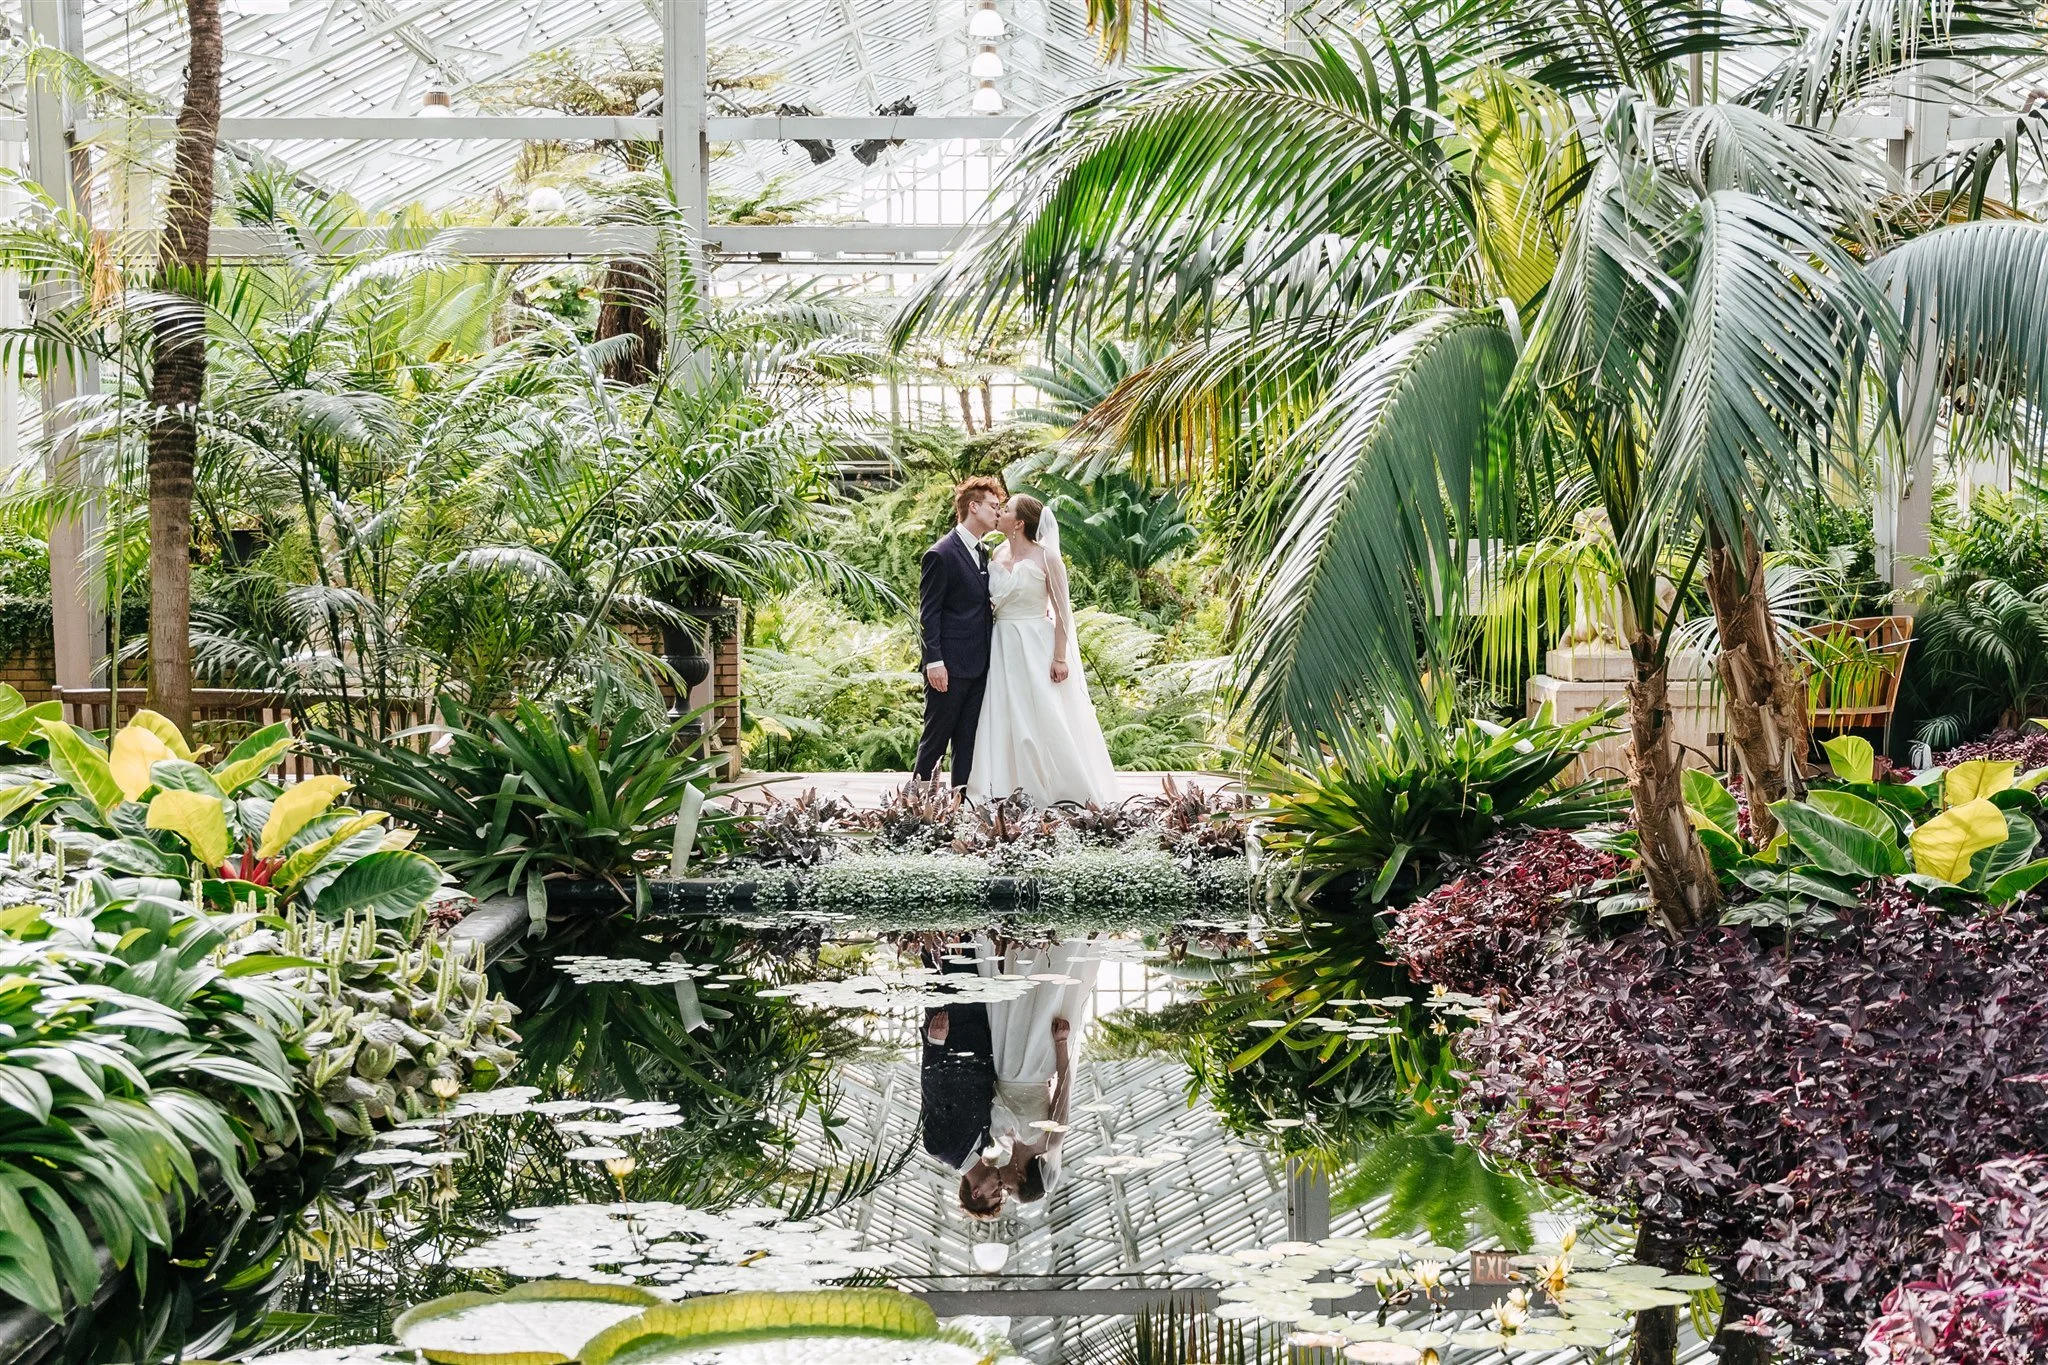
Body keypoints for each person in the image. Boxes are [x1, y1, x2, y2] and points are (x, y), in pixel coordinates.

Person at [966, 494, 1118, 806]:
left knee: (1043, 714)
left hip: (1036, 641)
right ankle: (1007, 787)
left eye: (1006, 510)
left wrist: (1060, 657)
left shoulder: (1047, 557)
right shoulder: (997, 552)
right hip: (1002, 642)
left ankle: (1061, 788)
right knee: (1005, 713)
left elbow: (1062, 612)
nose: (1000, 512)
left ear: (1019, 523)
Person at [956, 934, 1101, 1220]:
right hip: (1036, 1061)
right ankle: (1048, 941)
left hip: (1005, 1059)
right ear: (1021, 1177)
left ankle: (1009, 942)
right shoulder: (1049, 1142)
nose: (1004, 1188)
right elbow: (1064, 1088)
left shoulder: (1001, 1140)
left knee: (1012, 994)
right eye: (1009, 1189)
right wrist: (1061, 1043)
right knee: (1039, 995)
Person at [916, 477, 1004, 789]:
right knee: (936, 741)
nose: (998, 513)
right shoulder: (941, 553)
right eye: (994, 507)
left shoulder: (983, 552)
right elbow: (928, 613)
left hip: (979, 665)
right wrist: (934, 661)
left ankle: (958, 807)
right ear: (973, 506)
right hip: (949, 667)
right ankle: (915, 809)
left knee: (967, 743)